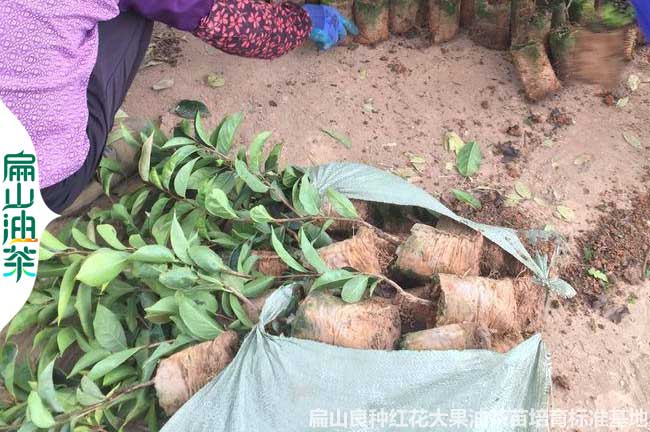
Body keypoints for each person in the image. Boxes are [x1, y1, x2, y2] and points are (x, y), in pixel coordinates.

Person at [0, 0, 357, 213]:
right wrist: (303, 21)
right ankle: (87, 167)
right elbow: (237, 25)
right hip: (39, 184)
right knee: (128, 15)